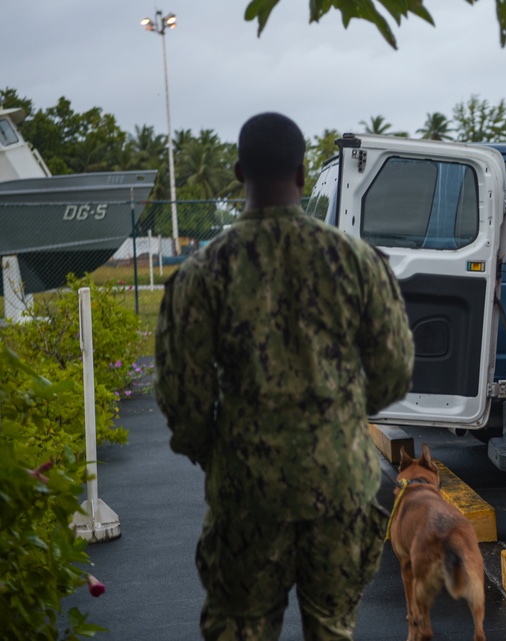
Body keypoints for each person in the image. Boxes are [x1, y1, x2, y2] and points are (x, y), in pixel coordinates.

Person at [154, 112, 414, 641]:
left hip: (247, 494)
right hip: (340, 488)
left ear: (237, 173)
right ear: (300, 175)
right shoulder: (358, 260)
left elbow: (183, 398)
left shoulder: (203, 273)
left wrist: (216, 452)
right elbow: (393, 374)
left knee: (241, 630)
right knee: (333, 628)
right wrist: (338, 421)